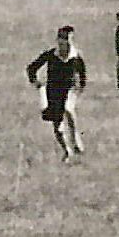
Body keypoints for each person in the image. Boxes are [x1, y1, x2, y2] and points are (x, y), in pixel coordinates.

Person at [27, 26, 89, 161]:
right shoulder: (51, 55)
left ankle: (75, 139)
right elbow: (32, 68)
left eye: (68, 39)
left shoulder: (76, 56)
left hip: (70, 89)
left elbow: (83, 74)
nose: (65, 43)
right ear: (58, 40)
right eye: (62, 39)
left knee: (68, 109)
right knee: (58, 126)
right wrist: (36, 82)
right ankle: (67, 150)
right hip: (53, 91)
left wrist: (80, 87)